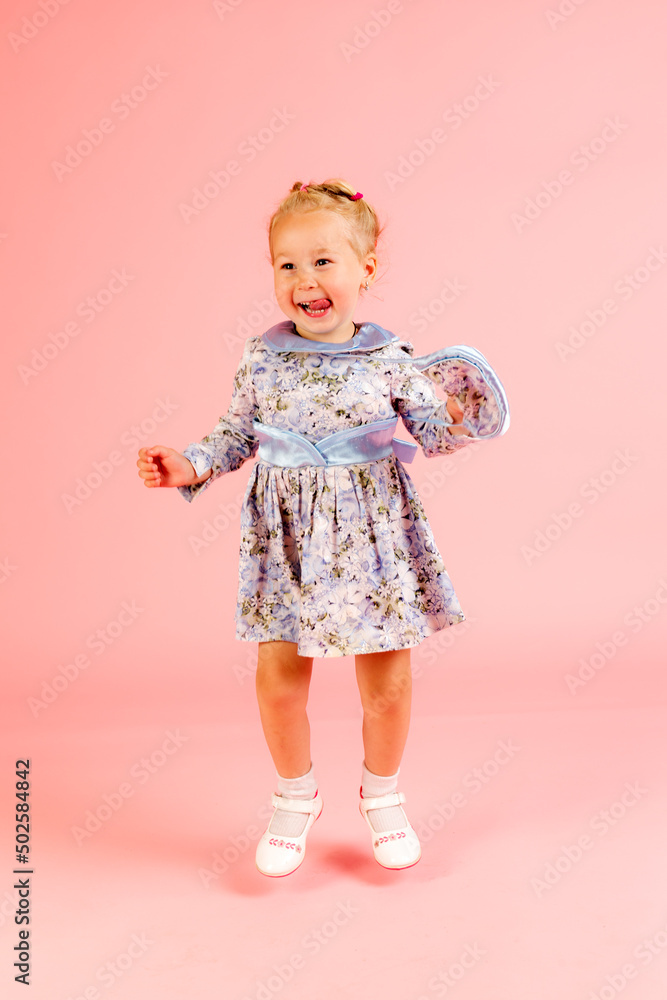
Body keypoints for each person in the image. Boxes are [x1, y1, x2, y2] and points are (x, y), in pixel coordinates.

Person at [136, 178, 510, 878]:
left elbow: (432, 434)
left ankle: (383, 794)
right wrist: (188, 465)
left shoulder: (389, 360)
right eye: (287, 264)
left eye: (323, 261)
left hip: (372, 538)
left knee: (388, 685)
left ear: (364, 270)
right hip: (285, 542)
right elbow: (233, 435)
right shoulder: (262, 359)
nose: (305, 279)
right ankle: (293, 795)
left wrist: (455, 417)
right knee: (278, 679)